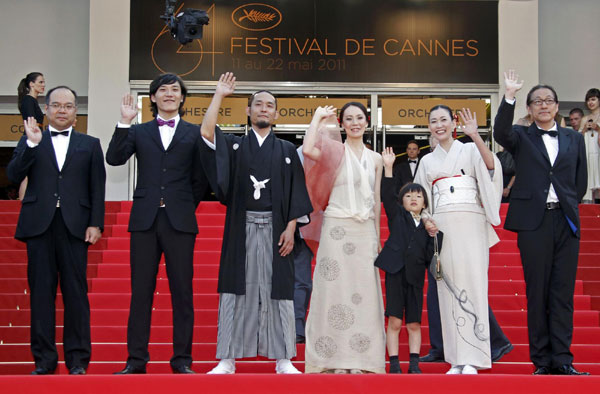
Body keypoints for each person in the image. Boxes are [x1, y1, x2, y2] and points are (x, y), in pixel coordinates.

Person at [200, 73, 312, 374]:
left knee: (280, 290)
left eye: (270, 105)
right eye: (258, 104)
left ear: (276, 114)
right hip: (242, 225)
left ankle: (284, 357)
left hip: (278, 229)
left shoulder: (288, 151)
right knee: (236, 288)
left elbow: (296, 192)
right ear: (248, 111)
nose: (264, 109)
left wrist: (291, 228)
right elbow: (207, 133)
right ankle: (227, 357)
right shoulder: (235, 147)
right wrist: (219, 96)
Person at [107, 73, 209, 375]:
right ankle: (135, 361)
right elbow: (114, 159)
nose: (168, 94)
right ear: (152, 98)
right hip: (144, 221)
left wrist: (182, 205)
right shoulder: (138, 131)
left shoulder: (193, 133)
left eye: (174, 90)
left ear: (182, 98)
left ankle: (182, 361)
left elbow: (201, 178)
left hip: (179, 221)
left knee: (183, 293)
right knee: (141, 293)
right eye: (162, 90)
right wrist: (124, 122)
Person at [494, 70, 589, 375]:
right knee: (537, 292)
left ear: (557, 106)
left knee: (562, 293)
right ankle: (542, 362)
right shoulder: (521, 136)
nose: (543, 105)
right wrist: (508, 96)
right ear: (530, 109)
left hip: (565, 221)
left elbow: (580, 181)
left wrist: (567, 203)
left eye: (549, 100)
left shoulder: (574, 138)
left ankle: (563, 360)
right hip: (533, 222)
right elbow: (500, 133)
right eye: (537, 101)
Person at [7, 85, 106, 375]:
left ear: (76, 113)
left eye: (68, 106)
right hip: (40, 226)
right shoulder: (31, 140)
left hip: (76, 227)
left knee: (76, 295)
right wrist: (32, 144)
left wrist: (96, 223)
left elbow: (96, 187)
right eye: (56, 105)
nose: (62, 110)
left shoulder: (90, 144)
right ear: (47, 110)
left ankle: (77, 361)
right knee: (41, 295)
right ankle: (44, 361)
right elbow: (13, 175)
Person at [414, 105, 503, 374]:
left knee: (474, 284)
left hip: (471, 221)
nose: (439, 125)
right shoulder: (427, 161)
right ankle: (455, 358)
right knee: (448, 289)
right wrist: (426, 218)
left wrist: (475, 136)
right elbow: (420, 196)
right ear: (429, 127)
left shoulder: (469, 149)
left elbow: (490, 169)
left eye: (443, 120)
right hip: (443, 225)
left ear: (453, 123)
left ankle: (474, 358)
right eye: (433, 121)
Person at [302, 103, 386, 374]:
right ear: (341, 123)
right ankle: (332, 360)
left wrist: (376, 235)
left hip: (364, 231)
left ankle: (360, 361)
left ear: (367, 121)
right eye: (348, 119)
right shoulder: (333, 152)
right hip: (336, 228)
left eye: (359, 118)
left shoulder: (375, 159)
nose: (354, 123)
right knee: (333, 293)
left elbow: (376, 198)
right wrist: (316, 118)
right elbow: (306, 150)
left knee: (364, 295)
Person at [376, 147, 440, 374]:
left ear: (425, 203)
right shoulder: (397, 216)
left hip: (415, 277)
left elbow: (436, 252)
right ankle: (394, 363)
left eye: (418, 196)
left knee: (413, 322)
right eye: (408, 195)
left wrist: (434, 233)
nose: (413, 199)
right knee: (394, 321)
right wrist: (389, 168)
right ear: (401, 201)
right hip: (395, 273)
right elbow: (387, 194)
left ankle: (414, 363)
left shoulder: (428, 224)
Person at [293, 146, 314, 345]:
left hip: (310, 228)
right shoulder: (295, 153)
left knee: (303, 281)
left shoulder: (336, 155)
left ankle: (298, 327)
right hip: (285, 225)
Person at [17, 72, 46, 201]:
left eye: (43, 82)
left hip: (35, 135)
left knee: (33, 171)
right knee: (28, 171)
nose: (43, 85)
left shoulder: (32, 101)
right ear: (31, 84)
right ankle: (23, 200)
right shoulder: (28, 100)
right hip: (31, 137)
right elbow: (30, 121)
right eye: (40, 82)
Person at [578, 89, 600, 203]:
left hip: (598, 153)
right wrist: (585, 129)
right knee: (588, 182)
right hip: (588, 154)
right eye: (588, 100)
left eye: (593, 99)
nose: (590, 102)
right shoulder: (584, 119)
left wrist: (598, 128)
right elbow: (578, 140)